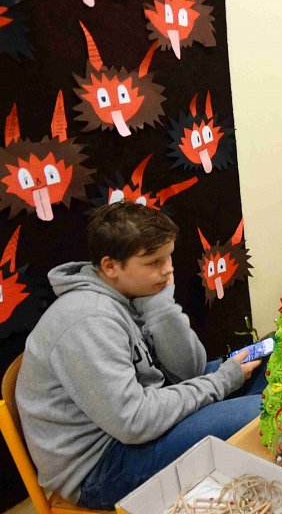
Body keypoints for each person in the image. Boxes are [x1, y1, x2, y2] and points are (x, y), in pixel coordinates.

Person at [15, 202, 267, 510]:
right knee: (263, 411)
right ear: (110, 266)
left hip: (143, 417)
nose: (168, 269)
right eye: (154, 262)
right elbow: (134, 422)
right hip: (101, 467)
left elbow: (190, 371)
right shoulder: (88, 320)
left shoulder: (133, 292)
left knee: (270, 359)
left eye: (168, 257)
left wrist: (161, 307)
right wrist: (221, 383)